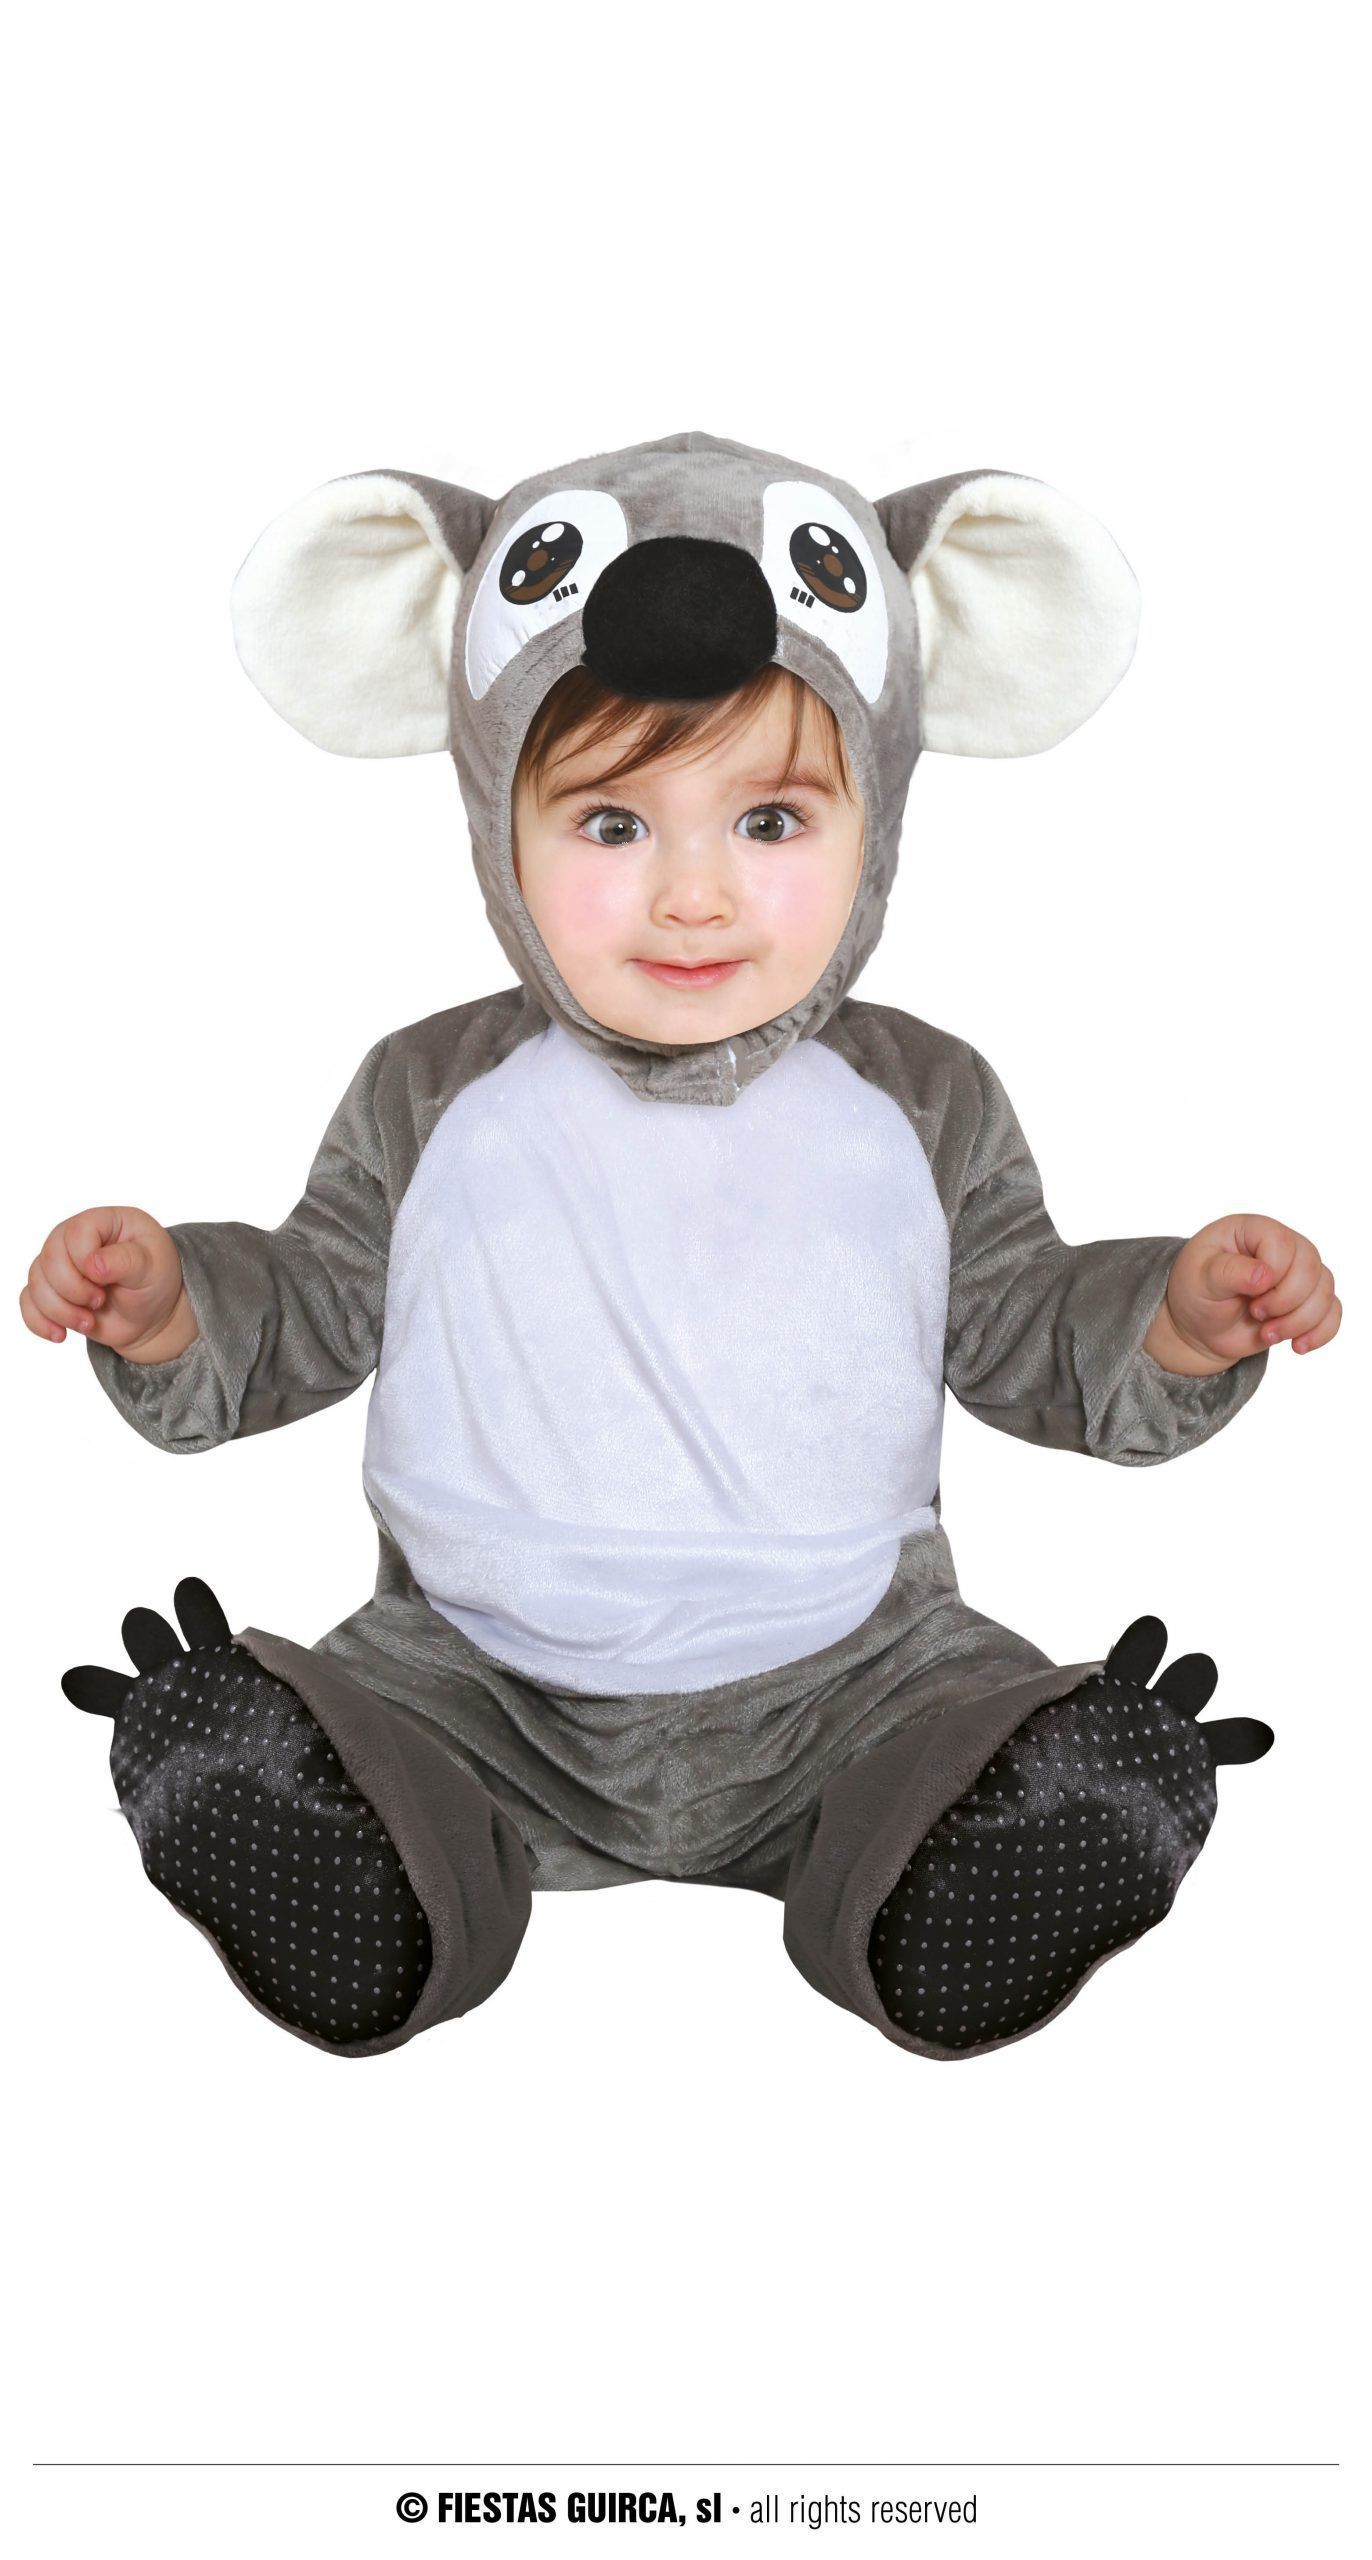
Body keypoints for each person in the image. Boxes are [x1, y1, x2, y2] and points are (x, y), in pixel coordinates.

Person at [20, 431, 1341, 2059]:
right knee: (368, 1744)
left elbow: (1022, 1328)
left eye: (771, 820)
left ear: (879, 813)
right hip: (472, 1678)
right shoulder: (429, 1088)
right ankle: (345, 1852)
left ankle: (977, 1857)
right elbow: (309, 1301)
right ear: (496, 818)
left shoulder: (927, 1099)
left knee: (957, 1737)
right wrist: (172, 1307)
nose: (695, 898)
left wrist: (1176, 1322)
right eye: (612, 827)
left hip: (855, 1679)